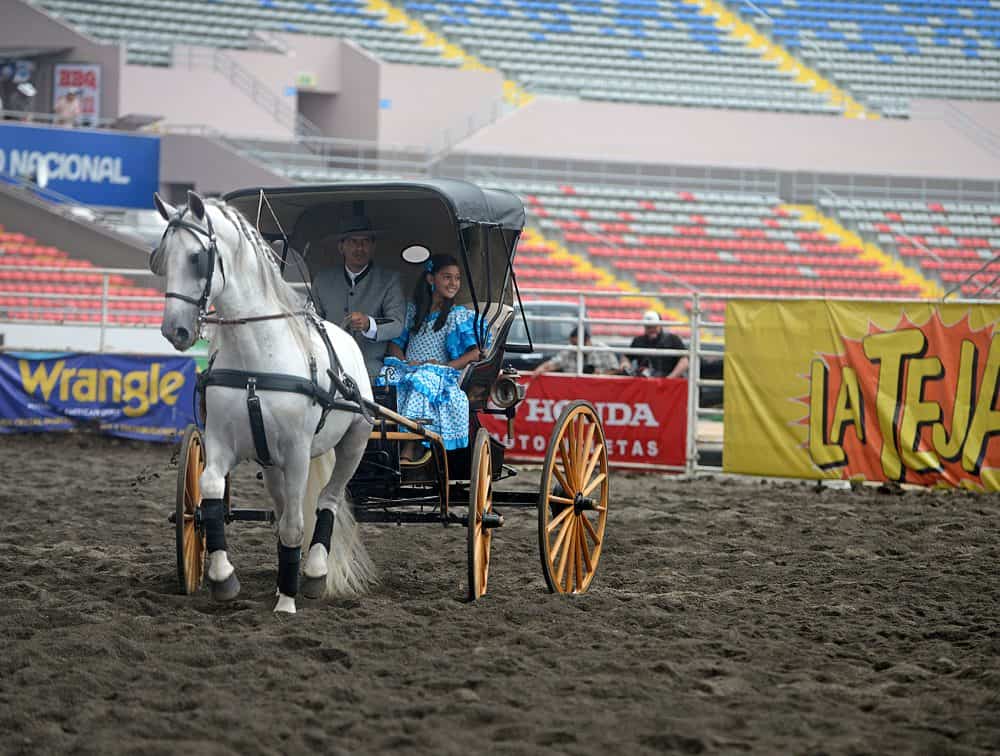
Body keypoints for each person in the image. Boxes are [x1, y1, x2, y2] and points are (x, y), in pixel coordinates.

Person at [382, 254, 485, 464]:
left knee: (422, 378)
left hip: (440, 372)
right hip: (410, 367)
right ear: (431, 279)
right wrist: (405, 363)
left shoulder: (457, 315)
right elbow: (395, 345)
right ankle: (384, 440)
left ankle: (411, 445)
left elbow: (474, 353)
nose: (453, 283)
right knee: (388, 376)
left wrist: (445, 366)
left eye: (457, 278)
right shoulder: (412, 311)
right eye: (447, 277)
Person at [311, 214, 405, 379]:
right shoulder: (322, 280)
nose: (359, 248)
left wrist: (370, 324)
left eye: (365, 242)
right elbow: (311, 322)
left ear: (373, 246)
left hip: (370, 370)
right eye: (353, 242)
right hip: (329, 368)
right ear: (341, 247)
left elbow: (397, 324)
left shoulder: (389, 280)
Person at [530, 325, 622, 376]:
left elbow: (616, 370)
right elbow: (552, 364)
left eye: (577, 344)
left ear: (588, 340)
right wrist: (540, 369)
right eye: (573, 344)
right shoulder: (569, 350)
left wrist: (601, 375)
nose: (575, 347)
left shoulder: (603, 350)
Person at [622, 310, 688, 378]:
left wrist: (670, 378)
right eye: (648, 327)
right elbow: (627, 357)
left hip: (670, 382)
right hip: (645, 382)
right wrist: (626, 366)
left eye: (654, 326)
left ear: (660, 325)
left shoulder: (673, 339)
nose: (651, 329)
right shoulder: (638, 340)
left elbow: (684, 360)